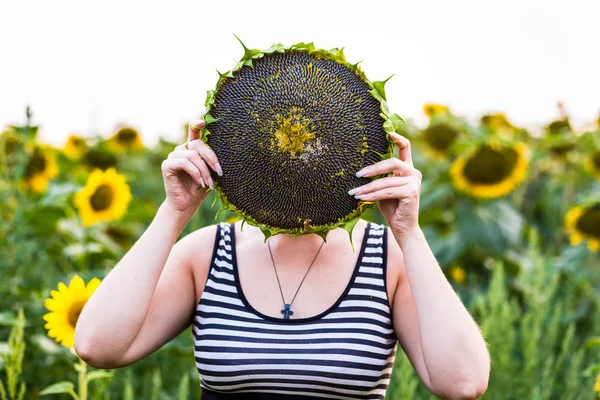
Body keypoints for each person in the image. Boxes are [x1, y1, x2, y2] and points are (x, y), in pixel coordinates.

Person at [74, 119, 490, 399]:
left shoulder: (387, 259)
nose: (299, 158)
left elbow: (464, 382)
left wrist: (408, 233)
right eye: (283, 143)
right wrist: (175, 212)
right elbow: (98, 345)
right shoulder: (206, 254)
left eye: (316, 144)